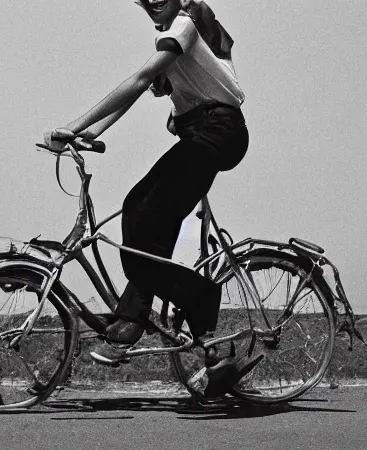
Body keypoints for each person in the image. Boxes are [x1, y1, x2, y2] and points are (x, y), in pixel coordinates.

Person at [43, 0, 260, 398]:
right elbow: (140, 91)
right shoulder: (172, 37)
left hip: (220, 131)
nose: (149, 2)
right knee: (138, 210)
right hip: (202, 134)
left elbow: (141, 78)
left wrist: (74, 124)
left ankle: (149, 315)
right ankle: (170, 331)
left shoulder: (186, 23)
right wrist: (85, 135)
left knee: (147, 211)